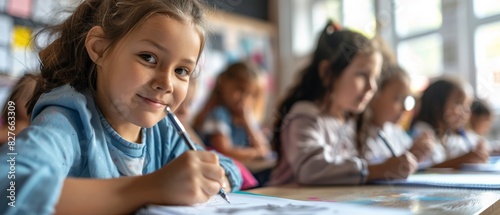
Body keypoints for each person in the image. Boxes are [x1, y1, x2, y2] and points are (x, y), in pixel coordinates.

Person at [0, 1, 242, 214]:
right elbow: (9, 188)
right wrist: (151, 187)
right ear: (99, 48)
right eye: (148, 57)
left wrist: (210, 178)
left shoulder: (164, 133)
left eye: (181, 71)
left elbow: (229, 168)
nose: (166, 83)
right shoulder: (68, 121)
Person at [268, 22, 418, 186]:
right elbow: (310, 170)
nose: (372, 87)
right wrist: (378, 169)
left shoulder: (349, 121)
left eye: (375, 78)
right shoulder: (305, 116)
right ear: (327, 72)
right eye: (362, 74)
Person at [193, 62, 270, 162]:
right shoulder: (218, 114)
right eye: (240, 90)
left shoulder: (246, 118)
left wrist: (248, 124)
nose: (244, 99)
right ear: (223, 82)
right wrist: (256, 153)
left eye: (252, 95)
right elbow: (224, 151)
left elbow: (264, 148)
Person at [410, 77, 489, 169]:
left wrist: (478, 152)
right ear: (437, 105)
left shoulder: (449, 135)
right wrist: (464, 159)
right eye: (458, 103)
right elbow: (424, 170)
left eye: (468, 105)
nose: (466, 111)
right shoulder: (422, 132)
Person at [362, 64, 433, 164]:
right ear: (374, 95)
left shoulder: (394, 132)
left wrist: (418, 152)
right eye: (398, 99)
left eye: (406, 100)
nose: (405, 108)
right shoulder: (360, 134)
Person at [0, 73, 39, 144]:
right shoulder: (3, 123)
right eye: (27, 97)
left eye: (36, 99)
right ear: (15, 98)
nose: (31, 104)